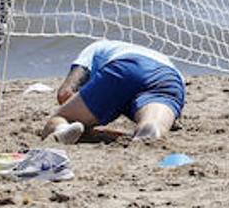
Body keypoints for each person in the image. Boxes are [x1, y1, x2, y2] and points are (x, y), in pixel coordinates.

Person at [40, 39, 185, 144]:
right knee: (153, 123)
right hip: (171, 77)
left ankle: (62, 128)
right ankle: (150, 130)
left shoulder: (96, 47)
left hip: (126, 66)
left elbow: (65, 94)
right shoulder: (154, 56)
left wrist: (82, 116)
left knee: (60, 119)